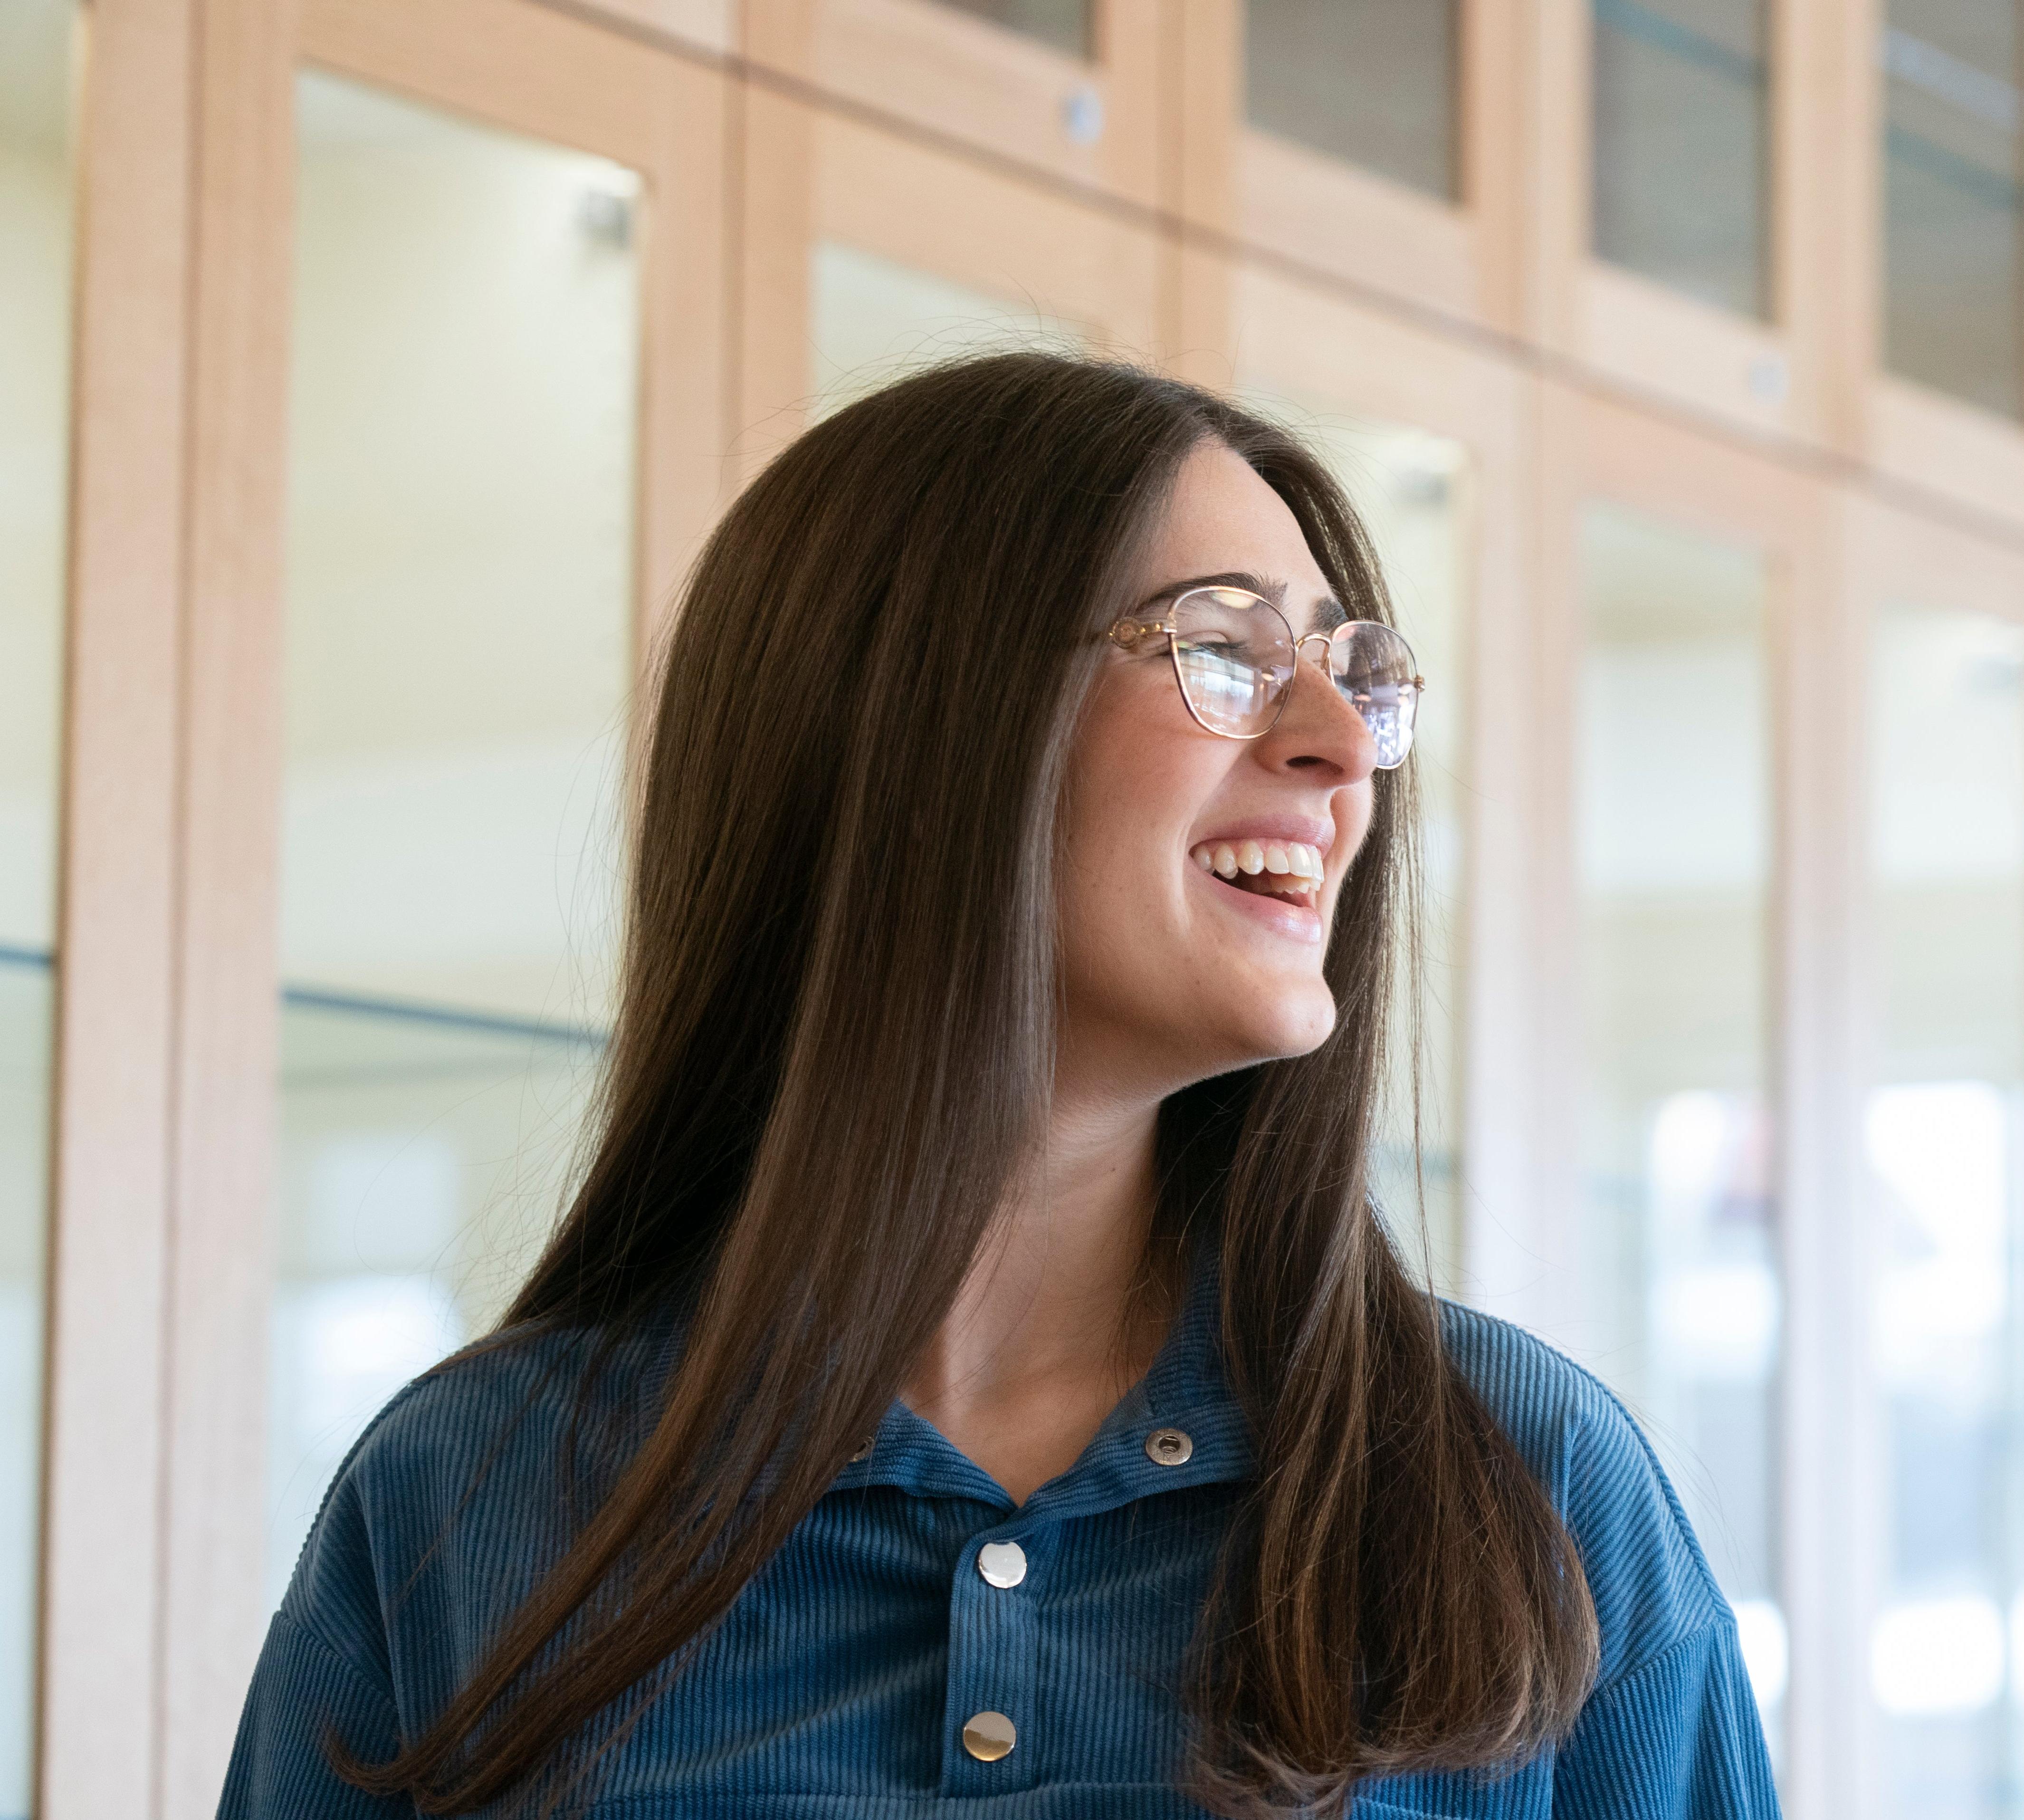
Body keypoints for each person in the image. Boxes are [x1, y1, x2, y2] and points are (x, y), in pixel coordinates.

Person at [218, 353, 1779, 1820]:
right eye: (1224, 651)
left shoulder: (1528, 1481)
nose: (1337, 750)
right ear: (914, 718)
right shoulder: (466, 1495)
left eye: (1351, 677)